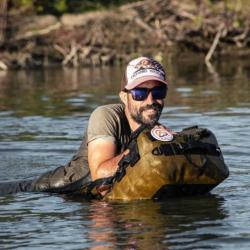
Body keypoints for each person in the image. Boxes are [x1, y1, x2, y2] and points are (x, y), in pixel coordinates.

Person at [0, 56, 169, 195]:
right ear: (124, 97)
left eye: (158, 92)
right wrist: (146, 147)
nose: (151, 101)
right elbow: (100, 174)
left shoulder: (155, 129)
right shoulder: (105, 115)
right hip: (55, 189)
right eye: (140, 93)